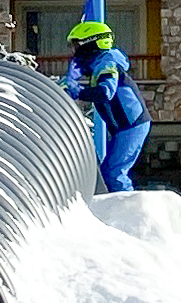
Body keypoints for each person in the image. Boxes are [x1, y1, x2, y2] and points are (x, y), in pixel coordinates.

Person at [63, 18, 150, 192]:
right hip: (123, 126)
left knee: (114, 173)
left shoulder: (107, 62)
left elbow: (105, 92)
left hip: (131, 125)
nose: (75, 52)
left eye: (77, 46)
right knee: (108, 172)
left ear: (90, 44)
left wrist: (78, 91)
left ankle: (129, 213)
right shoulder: (100, 63)